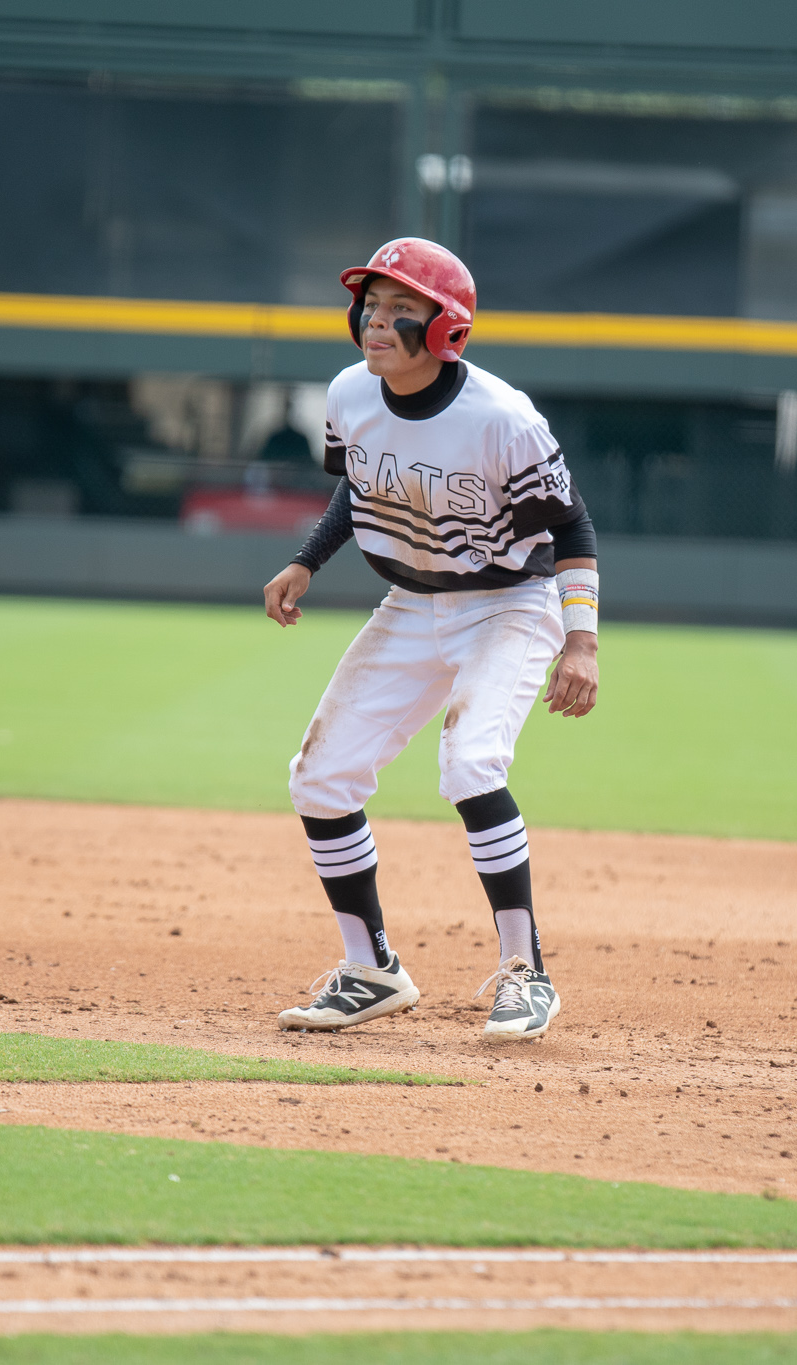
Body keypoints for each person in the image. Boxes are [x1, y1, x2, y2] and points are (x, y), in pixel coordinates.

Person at [263, 238, 601, 1041]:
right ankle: (371, 967)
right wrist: (308, 559)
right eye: (370, 309)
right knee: (320, 776)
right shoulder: (350, 393)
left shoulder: (501, 418)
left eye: (400, 312)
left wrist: (580, 642)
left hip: (508, 607)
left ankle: (526, 973)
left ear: (445, 329)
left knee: (471, 764)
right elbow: (364, 485)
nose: (376, 324)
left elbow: (573, 525)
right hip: (411, 604)